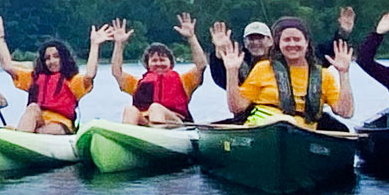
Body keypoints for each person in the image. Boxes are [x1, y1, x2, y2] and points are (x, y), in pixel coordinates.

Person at [219, 16, 354, 128]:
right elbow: (237, 107)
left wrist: (344, 73)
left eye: (297, 39)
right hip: (261, 128)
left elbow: (346, 112)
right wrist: (232, 71)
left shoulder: (325, 75)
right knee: (285, 123)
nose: (292, 44)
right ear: (279, 44)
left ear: (306, 43)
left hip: (303, 133)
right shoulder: (263, 68)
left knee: (291, 124)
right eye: (286, 40)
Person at [0, 18, 110, 133]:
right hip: (37, 122)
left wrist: (95, 45)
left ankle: (26, 138)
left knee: (52, 128)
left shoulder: (72, 81)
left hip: (61, 125)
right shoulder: (35, 78)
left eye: (56, 57)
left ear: (63, 58)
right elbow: (8, 66)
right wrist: (0, 39)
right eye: (47, 58)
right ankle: (20, 140)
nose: (52, 61)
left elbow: (90, 74)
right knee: (32, 107)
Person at [109, 15, 208, 126]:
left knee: (156, 108)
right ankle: (129, 138)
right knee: (130, 110)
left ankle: (157, 136)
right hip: (147, 123)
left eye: (162, 60)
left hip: (175, 124)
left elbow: (201, 65)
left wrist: (191, 38)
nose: (159, 63)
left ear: (171, 63)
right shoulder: (137, 83)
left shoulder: (184, 80)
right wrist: (119, 44)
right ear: (147, 64)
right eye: (154, 60)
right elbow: (116, 72)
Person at [207, 21, 272, 90]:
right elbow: (223, 81)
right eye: (251, 38)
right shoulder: (239, 63)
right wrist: (220, 56)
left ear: (270, 40)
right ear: (245, 42)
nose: (255, 42)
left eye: (260, 38)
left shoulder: (279, 62)